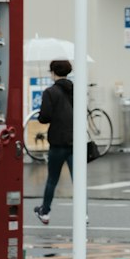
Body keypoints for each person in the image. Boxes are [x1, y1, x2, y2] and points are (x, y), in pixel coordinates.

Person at [34, 59, 75, 224]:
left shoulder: (50, 92)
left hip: (58, 142)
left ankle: (45, 212)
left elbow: (45, 117)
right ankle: (84, 215)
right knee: (78, 181)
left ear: (53, 73)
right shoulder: (76, 90)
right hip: (75, 142)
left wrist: (40, 114)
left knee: (52, 179)